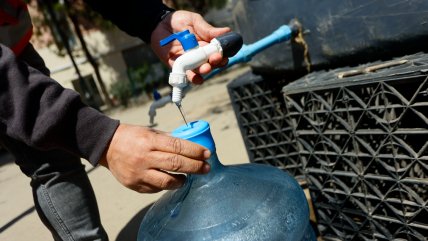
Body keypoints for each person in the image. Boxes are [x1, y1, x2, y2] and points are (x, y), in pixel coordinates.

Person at [0, 0, 230, 240]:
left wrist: (154, 17)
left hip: (14, 42)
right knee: (49, 162)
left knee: (58, 160)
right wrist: (102, 139)